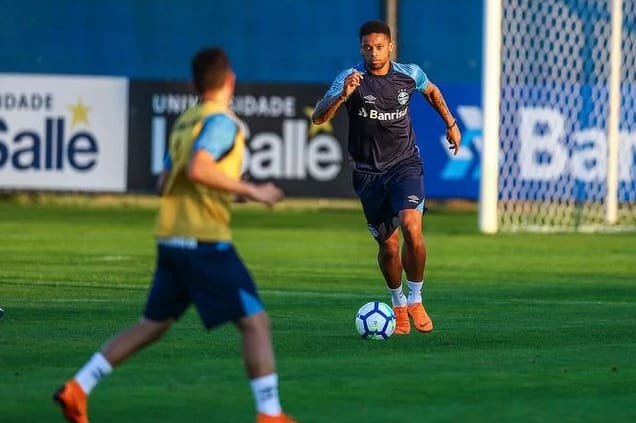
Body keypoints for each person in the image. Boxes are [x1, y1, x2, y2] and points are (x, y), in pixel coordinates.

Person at [53, 47, 298, 423]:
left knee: (152, 326)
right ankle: (269, 414)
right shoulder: (222, 122)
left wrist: (228, 192)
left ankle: (78, 387)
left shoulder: (186, 121)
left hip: (171, 239)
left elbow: (165, 183)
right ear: (230, 80)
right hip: (204, 241)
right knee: (255, 322)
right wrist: (254, 191)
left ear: (193, 83)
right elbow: (200, 169)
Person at [312, 21, 461, 335]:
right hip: (368, 175)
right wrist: (342, 95)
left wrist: (450, 122)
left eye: (379, 46)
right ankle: (398, 304)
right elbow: (318, 117)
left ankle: (416, 298)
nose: (374, 52)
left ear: (390, 46)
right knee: (389, 247)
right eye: (368, 47)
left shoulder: (409, 74)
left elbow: (431, 91)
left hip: (405, 164)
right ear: (361, 48)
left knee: (411, 226)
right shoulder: (349, 78)